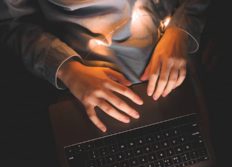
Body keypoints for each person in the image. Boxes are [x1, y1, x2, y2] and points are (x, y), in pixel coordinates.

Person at [0, 0, 209, 132]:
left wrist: (180, 30)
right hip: (90, 90)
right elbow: (10, 24)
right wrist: (68, 70)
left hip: (175, 72)